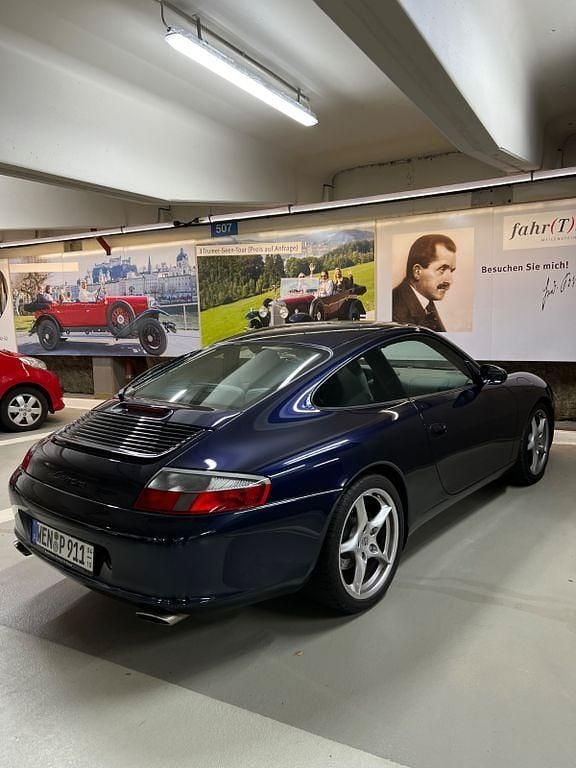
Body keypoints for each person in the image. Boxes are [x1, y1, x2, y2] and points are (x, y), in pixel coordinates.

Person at [392, 234, 456, 332]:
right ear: (417, 272)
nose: (450, 281)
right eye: (442, 269)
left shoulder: (427, 304)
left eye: (451, 271)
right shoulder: (396, 311)